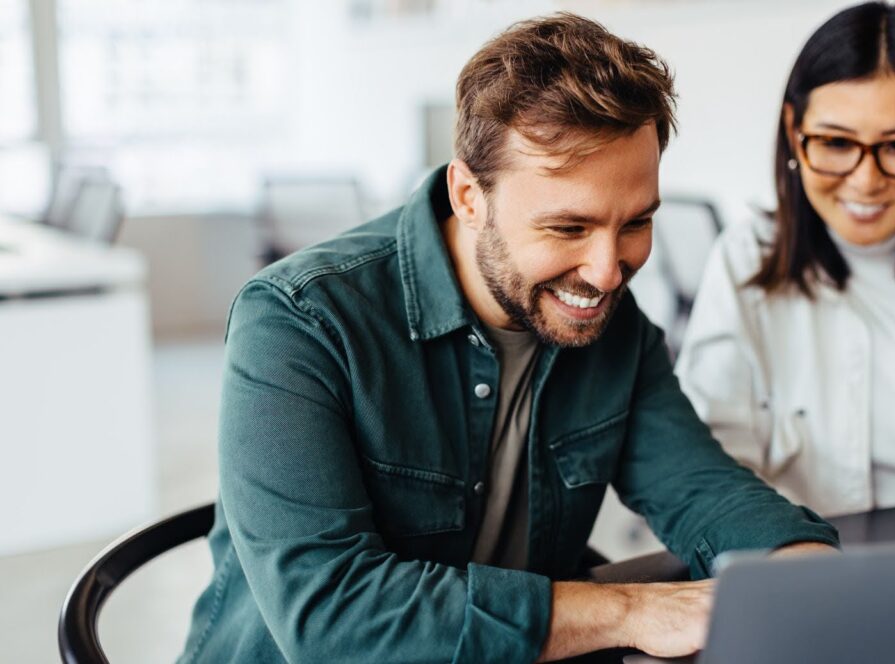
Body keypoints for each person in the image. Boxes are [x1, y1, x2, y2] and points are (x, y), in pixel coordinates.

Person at [179, 14, 838, 664]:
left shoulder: (611, 324)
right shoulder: (299, 323)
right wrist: (629, 609)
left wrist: (809, 576)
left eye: (635, 222)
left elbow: (701, 489)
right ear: (469, 196)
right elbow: (333, 619)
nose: (608, 272)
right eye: (568, 228)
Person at [677, 2, 895, 518]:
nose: (866, 181)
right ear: (794, 131)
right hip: (808, 575)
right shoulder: (745, 261)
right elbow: (706, 476)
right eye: (837, 142)